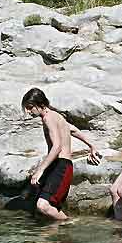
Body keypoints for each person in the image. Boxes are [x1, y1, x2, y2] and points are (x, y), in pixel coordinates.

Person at [22, 88, 101, 220]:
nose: (28, 112)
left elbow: (57, 146)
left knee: (42, 206)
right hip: (57, 165)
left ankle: (68, 223)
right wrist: (91, 145)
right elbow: (73, 130)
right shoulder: (56, 116)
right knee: (33, 201)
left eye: (30, 108)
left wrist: (40, 170)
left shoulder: (48, 118)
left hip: (61, 166)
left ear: (40, 104)